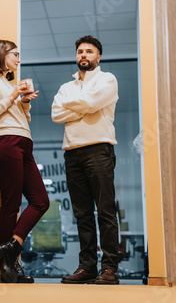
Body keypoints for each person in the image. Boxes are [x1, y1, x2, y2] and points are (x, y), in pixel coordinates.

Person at [0, 40, 49, 283]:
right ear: (1, 53)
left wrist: (25, 102)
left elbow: (23, 118)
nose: (18, 59)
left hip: (23, 142)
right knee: (11, 204)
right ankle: (9, 268)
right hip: (6, 141)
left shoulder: (8, 85)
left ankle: (11, 247)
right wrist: (13, 95)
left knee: (41, 201)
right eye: (15, 54)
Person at [51, 35, 120, 285]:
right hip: (72, 153)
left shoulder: (107, 79)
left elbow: (92, 101)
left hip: (99, 150)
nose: (84, 55)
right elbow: (56, 113)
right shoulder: (65, 87)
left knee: (105, 212)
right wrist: (86, 107)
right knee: (82, 214)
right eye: (80, 51)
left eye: (89, 51)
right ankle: (87, 267)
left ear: (98, 57)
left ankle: (109, 269)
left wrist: (79, 107)